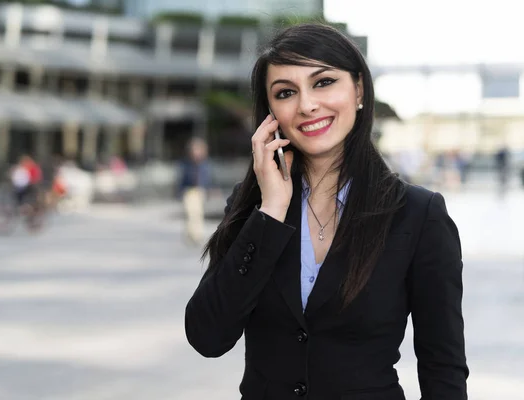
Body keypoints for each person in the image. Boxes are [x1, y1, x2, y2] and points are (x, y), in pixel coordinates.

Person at [185, 24, 468, 400]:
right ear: (271, 114)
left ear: (359, 90)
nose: (306, 104)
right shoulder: (255, 207)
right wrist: (269, 212)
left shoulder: (419, 215)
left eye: (323, 82)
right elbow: (207, 336)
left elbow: (443, 369)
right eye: (286, 92)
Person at [178, 137, 212, 245]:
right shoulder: (186, 164)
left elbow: (207, 178)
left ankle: (196, 234)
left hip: (200, 191)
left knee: (198, 213)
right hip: (189, 191)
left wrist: (209, 189)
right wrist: (180, 191)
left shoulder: (204, 164)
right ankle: (191, 234)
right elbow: (182, 179)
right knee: (191, 213)